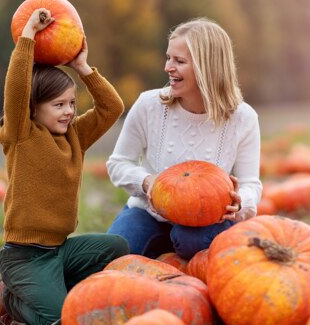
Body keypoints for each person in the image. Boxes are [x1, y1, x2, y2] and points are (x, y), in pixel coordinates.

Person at [0, 8, 129, 325]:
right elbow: (16, 88)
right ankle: (14, 301)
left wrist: (82, 67)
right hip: (24, 257)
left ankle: (53, 290)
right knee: (59, 319)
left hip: (60, 251)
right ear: (33, 108)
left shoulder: (74, 136)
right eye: (58, 105)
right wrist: (27, 36)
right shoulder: (21, 134)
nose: (68, 111)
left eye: (71, 103)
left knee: (117, 247)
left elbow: (112, 108)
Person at [106, 17, 262, 260]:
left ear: (207, 67)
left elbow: (251, 183)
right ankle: (161, 253)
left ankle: (184, 263)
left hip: (206, 221)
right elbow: (117, 163)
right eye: (168, 58)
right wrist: (149, 183)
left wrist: (240, 201)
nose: (168, 67)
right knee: (113, 255)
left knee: (193, 242)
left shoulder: (243, 118)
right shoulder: (149, 105)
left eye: (179, 61)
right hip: (149, 213)